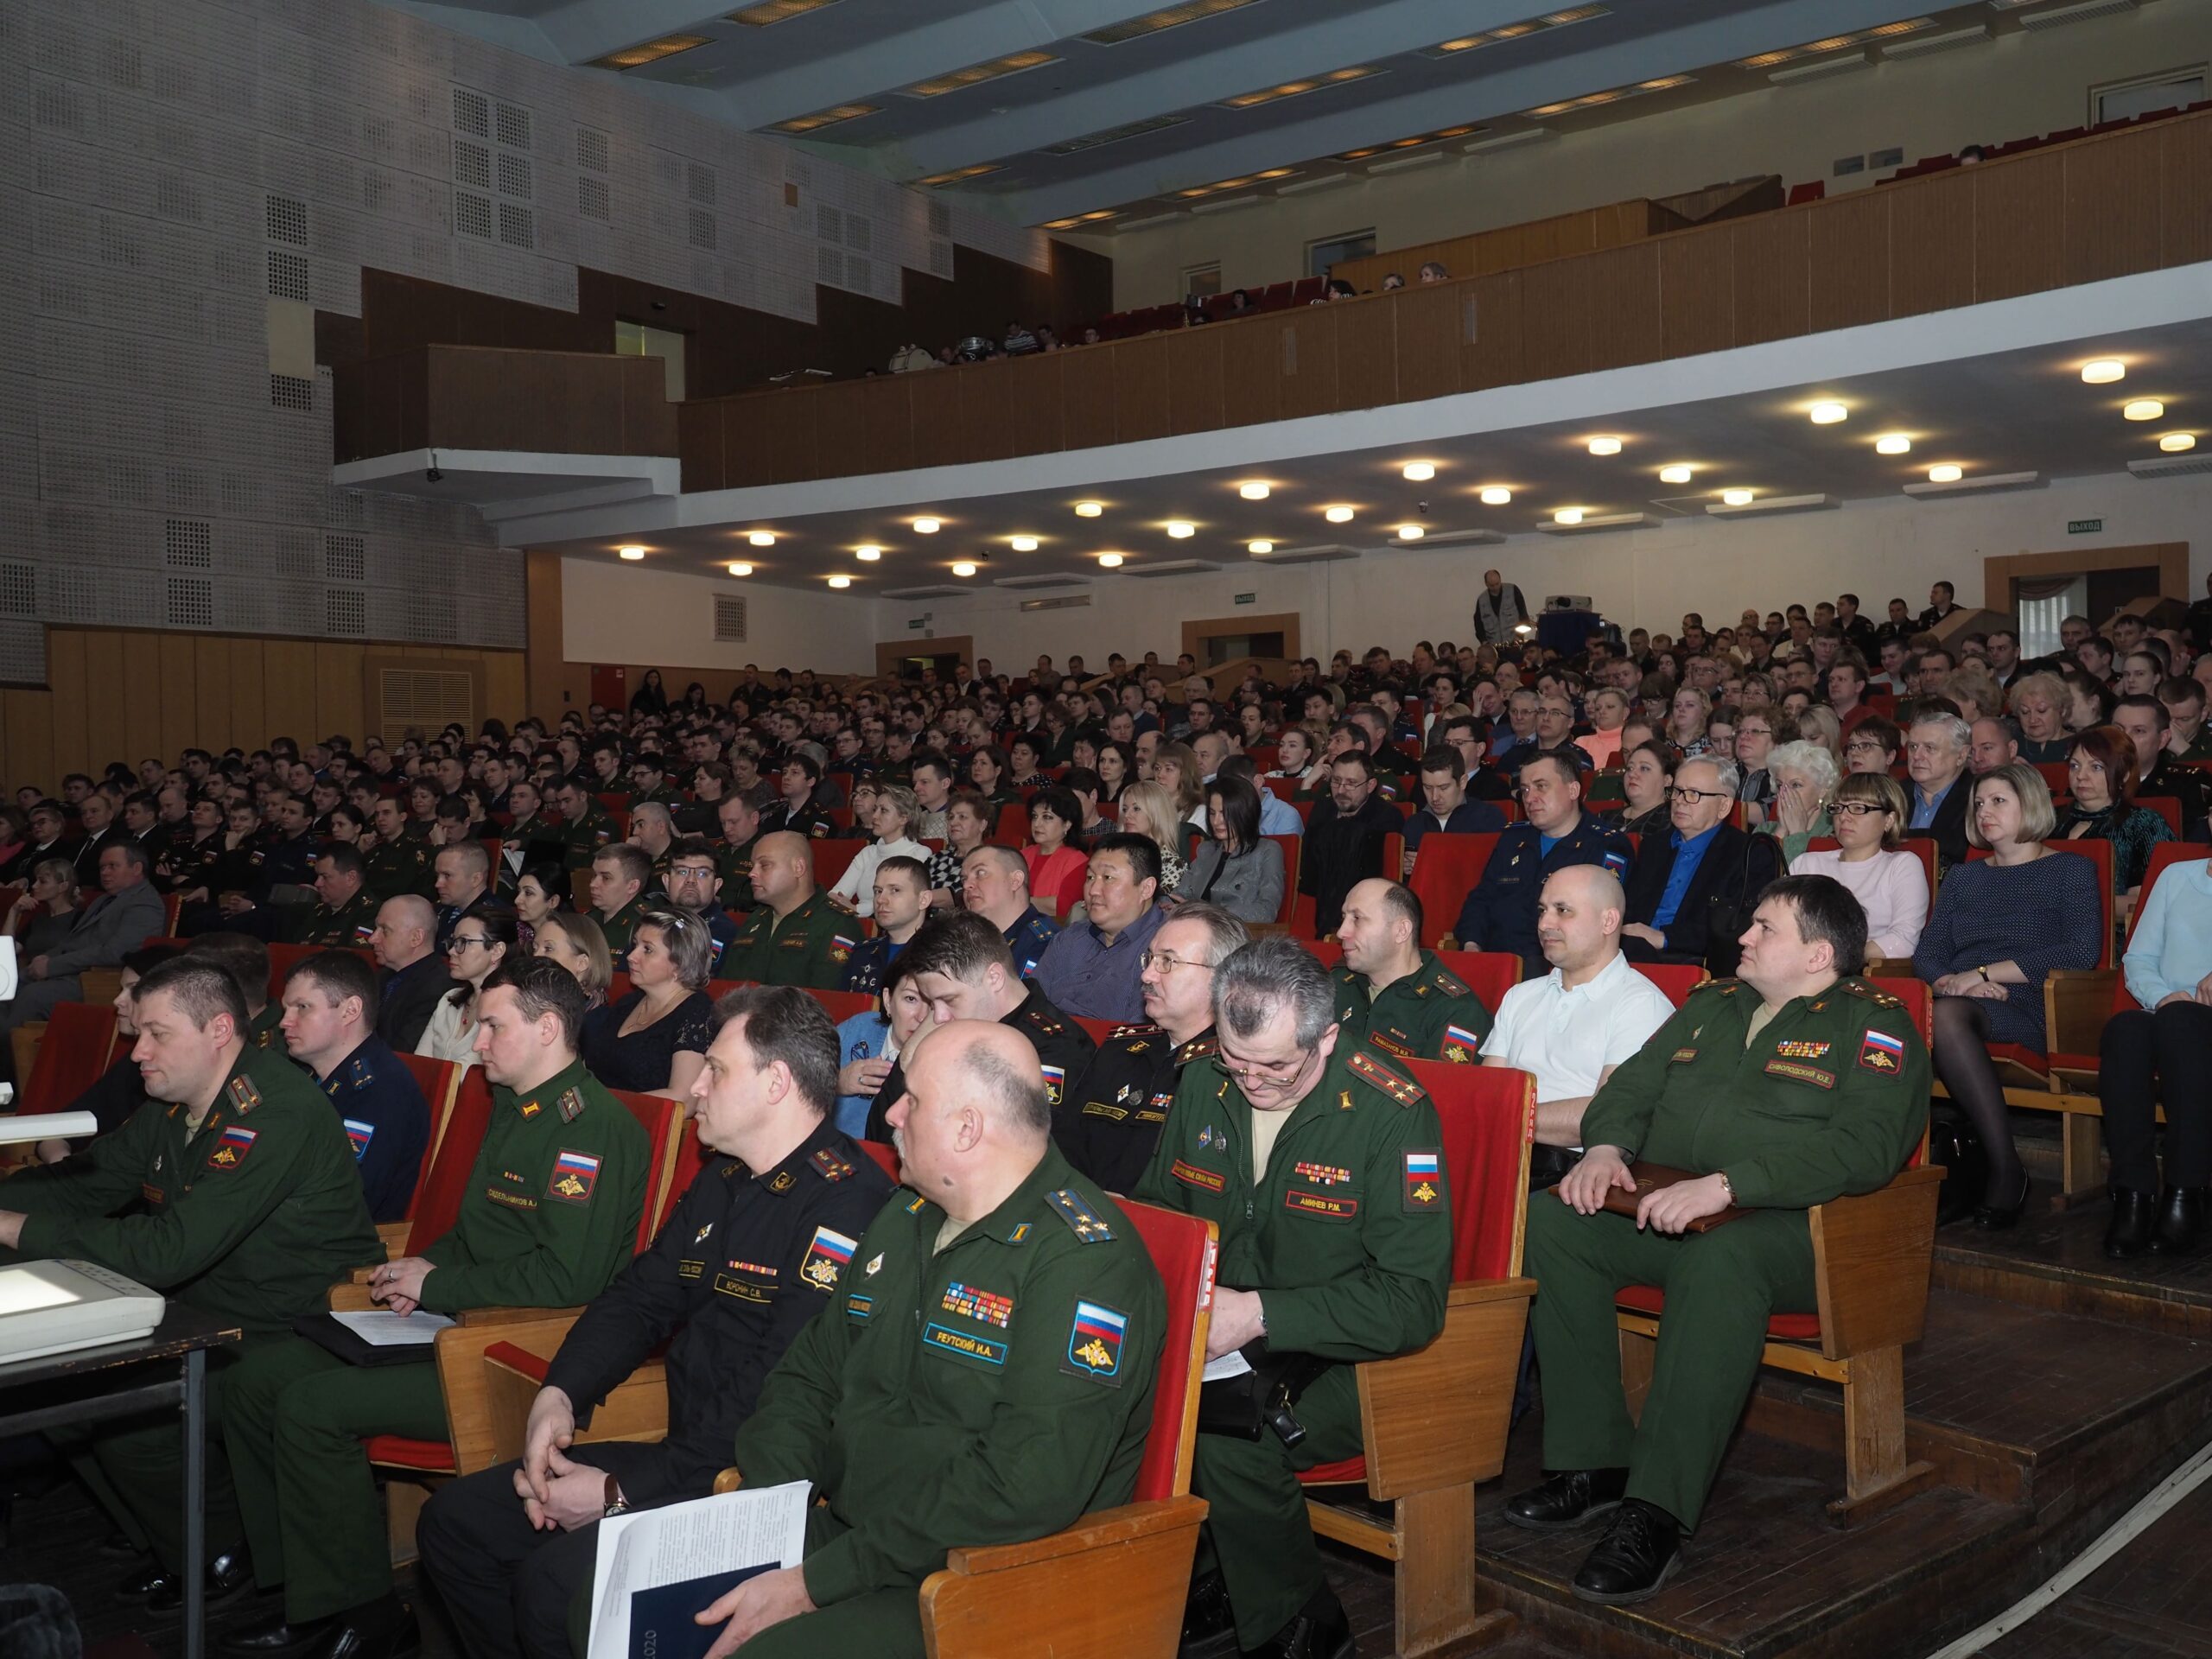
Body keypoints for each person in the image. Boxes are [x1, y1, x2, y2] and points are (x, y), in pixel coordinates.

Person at [415, 987, 896, 1659]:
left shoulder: (847, 1206)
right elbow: (639, 1298)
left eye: (716, 1070)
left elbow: (774, 1391)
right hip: (684, 1454)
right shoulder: (724, 1177)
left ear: (777, 1083)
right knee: (457, 1523)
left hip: (751, 1486)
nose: (695, 1086)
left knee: (553, 1585)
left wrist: (617, 1492)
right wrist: (560, 1396)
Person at [1506, 877, 1929, 1602]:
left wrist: (1730, 1184)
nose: (1745, 938)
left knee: (1722, 1259)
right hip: (1677, 1206)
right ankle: (1595, 1460)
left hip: (1805, 1234)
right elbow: (1633, 1087)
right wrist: (1606, 1147)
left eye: (1766, 929)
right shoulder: (1712, 1006)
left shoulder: (1873, 1024)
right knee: (1553, 1219)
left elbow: (1867, 1148)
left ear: (1819, 954)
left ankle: (1656, 1509)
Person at [217, 957, 650, 1659]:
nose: (476, 1043)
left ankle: (366, 1614)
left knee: (310, 1407)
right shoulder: (517, 1105)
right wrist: (422, 1268)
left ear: (547, 1029)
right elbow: (481, 1236)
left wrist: (438, 1287)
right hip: (459, 1321)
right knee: (255, 1379)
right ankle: (298, 1584)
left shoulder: (588, 1129)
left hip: (520, 1355)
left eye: (492, 1026)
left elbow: (570, 1276)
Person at [692, 1017, 1162, 1659]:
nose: (890, 1115)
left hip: (974, 1579)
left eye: (911, 1099)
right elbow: (809, 1376)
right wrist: (771, 1518)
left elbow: (1024, 1484)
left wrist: (819, 1580)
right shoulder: (907, 1213)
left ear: (967, 1129)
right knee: (584, 1594)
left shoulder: (1087, 1264)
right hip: (840, 1535)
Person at [0, 957, 383, 1614]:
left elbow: (168, 1251)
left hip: (292, 1322)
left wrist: (10, 1225)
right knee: (67, 1383)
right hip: (212, 1309)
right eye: (137, 1032)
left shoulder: (274, 1111)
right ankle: (177, 1538)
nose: (136, 1051)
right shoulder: (176, 1103)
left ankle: (212, 1548)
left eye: (156, 1033)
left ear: (218, 1030)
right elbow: (92, 1181)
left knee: (125, 1409)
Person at [1139, 937, 1451, 1656]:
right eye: (1236, 1060)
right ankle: (1214, 1576)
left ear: (1328, 1034)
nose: (1252, 1083)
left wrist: (1261, 1314)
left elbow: (1411, 1301)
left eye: (1277, 1065)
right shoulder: (1202, 1083)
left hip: (1347, 1355)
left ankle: (1303, 1623)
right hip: (1223, 1338)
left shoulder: (1391, 1113)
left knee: (1223, 1430)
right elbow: (1165, 1219)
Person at [1913, 764, 2103, 1225]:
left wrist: (1981, 973)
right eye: (1979, 803)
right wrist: (1954, 981)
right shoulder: (1964, 878)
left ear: (2031, 804)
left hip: (2038, 1004)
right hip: (1965, 998)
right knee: (1937, 1013)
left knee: (1948, 1018)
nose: (1984, 811)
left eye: (1998, 801)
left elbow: (2081, 951)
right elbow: (1928, 954)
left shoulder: (2071, 870)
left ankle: (2005, 1169)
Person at [1481, 865, 1675, 1182]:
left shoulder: (1641, 1005)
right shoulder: (1520, 996)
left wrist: (1507, 1116)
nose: (1545, 923)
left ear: (1608, 921)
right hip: (1497, 1152)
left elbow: (1608, 1114)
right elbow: (1487, 1090)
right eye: (1542, 910)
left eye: (1563, 911)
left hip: (1569, 1174)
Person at [1057, 904, 1242, 1193]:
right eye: (1150, 959)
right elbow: (1065, 1145)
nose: (1147, 975)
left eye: (1167, 962)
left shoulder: (1233, 1072)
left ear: (1222, 979)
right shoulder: (1119, 1050)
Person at [868, 909, 1096, 1138]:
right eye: (932, 1003)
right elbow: (881, 1134)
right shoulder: (945, 1030)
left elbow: (1027, 1153)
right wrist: (911, 1054)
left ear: (994, 978)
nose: (938, 1017)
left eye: (949, 1000)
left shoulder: (1054, 1049)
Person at [2101, 854, 2212, 1257]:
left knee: (2180, 1022)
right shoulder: (2176, 876)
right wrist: (2164, 997)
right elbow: (2139, 958)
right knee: (2125, 1030)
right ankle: (2133, 1193)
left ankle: (2188, 1187)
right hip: (2170, 1009)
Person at [278, 950, 432, 1223]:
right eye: (286, 1008)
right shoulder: (307, 1076)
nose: (284, 1022)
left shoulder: (381, 1091)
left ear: (350, 1011)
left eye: (302, 1007)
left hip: (331, 1249)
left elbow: (343, 1203)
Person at [1454, 753, 1632, 975]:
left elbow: (1598, 925)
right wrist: (1472, 945)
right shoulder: (1512, 838)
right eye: (1525, 790)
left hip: (1556, 969)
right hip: (1494, 960)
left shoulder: (1605, 845)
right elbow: (1481, 899)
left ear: (1573, 791)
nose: (1529, 798)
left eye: (1541, 787)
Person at [1619, 757, 1782, 977]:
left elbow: (1738, 929)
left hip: (1697, 962)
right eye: (1677, 791)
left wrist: (1665, 938)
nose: (1680, 801)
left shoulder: (1749, 854)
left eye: (1694, 794)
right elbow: (1630, 908)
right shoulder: (1653, 845)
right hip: (1632, 953)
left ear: (1724, 806)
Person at [0, 842, 166, 1040]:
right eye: (102, 867)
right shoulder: (103, 900)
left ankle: (9, 1062)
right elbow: (72, 941)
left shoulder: (144, 903)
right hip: (71, 972)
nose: (105, 872)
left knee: (33, 996)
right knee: (5, 984)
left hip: (98, 980)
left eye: (113, 866)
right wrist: (45, 958)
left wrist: (52, 965)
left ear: (136, 868)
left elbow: (117, 953)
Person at [29, 944, 174, 1164]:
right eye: (120, 989)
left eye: (133, 989)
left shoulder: (174, 1068)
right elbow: (58, 1129)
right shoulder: (133, 1063)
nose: (118, 1000)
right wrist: (64, 1168)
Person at [1332, 878, 1490, 1062]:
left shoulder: (1456, 1011)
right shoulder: (1337, 982)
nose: (1341, 932)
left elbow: (1441, 1088)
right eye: (1344, 918)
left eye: (1357, 919)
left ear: (1401, 931)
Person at [1032, 833, 1169, 1024]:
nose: (1093, 890)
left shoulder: (1167, 951)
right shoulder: (1069, 938)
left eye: (1108, 877)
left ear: (1146, 888)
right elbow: (1030, 1006)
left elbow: (1142, 1039)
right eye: (1089, 877)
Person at [1789, 772, 1928, 959]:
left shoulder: (1901, 865)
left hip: (1863, 973)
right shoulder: (1806, 862)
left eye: (1858, 808)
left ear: (1889, 820)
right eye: (1839, 807)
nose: (1844, 817)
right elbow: (1782, 924)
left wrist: (1833, 959)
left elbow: (1903, 941)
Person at [581, 909, 715, 1096]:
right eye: (635, 945)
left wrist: (607, 1106)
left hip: (639, 1121)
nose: (631, 956)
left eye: (648, 950)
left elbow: (684, 1097)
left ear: (680, 962)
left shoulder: (697, 1013)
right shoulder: (627, 1003)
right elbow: (587, 1070)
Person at [721, 833, 856, 990]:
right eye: (752, 866)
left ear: (798, 868)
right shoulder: (756, 919)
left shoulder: (836, 924)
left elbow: (826, 1000)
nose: (751, 873)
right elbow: (726, 987)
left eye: (764, 865)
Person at [2057, 722, 2174, 901]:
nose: (2080, 775)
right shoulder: (2048, 819)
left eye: (2096, 767)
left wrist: (2078, 905)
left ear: (2124, 774)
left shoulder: (2144, 823)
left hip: (2116, 927)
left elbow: (2147, 901)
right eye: (2075, 766)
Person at [1299, 750, 1400, 938]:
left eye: (1351, 783)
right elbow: (1308, 871)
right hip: (1317, 905)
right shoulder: (1322, 810)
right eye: (1336, 781)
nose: (1342, 790)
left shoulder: (1386, 817)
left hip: (1364, 915)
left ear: (1370, 785)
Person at [832, 958, 928, 1138]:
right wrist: (838, 1082)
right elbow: (797, 1080)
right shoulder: (860, 1028)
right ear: (888, 1000)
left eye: (932, 1004)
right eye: (911, 999)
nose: (922, 1017)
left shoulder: (945, 1055)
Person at [416, 903, 518, 1065]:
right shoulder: (449, 1000)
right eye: (454, 941)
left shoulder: (510, 1011)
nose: (451, 951)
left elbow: (470, 1075)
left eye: (464, 942)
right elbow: (419, 1063)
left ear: (497, 950)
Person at [1179, 775, 1285, 925]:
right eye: (1212, 813)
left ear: (1244, 812)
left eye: (1224, 813)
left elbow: (1266, 911)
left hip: (1236, 935)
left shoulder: (1268, 850)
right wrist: (1168, 904)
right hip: (1195, 929)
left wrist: (1209, 913)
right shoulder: (1207, 849)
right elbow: (1181, 893)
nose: (1216, 821)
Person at [369, 893, 454, 1053]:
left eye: (385, 931)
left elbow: (403, 1053)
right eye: (376, 928)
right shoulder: (383, 976)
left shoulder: (437, 989)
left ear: (416, 938)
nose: (373, 938)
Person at [958, 844, 1060, 976]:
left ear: (1015, 881)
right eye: (964, 879)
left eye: (980, 873)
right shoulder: (965, 940)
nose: (966, 885)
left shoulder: (1044, 944)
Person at [1402, 747, 1504, 875]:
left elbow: (1496, 869)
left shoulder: (1488, 818)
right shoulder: (1414, 824)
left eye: (1443, 788)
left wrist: (1434, 863)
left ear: (1462, 782)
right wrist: (1404, 870)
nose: (1434, 797)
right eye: (1428, 787)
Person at [831, 785, 929, 918]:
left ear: (903, 818)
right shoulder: (868, 852)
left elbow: (899, 901)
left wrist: (856, 909)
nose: (875, 816)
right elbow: (835, 894)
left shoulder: (919, 854)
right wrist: (850, 908)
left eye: (883, 810)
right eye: (875, 809)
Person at [838, 855, 928, 995]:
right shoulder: (861, 953)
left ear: (923, 900)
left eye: (895, 890)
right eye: (878, 891)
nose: (881, 899)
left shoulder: (940, 956)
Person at [1904, 713, 1974, 875]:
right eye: (1913, 747)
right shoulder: (1891, 796)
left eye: (1930, 748)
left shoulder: (1979, 799)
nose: (1916, 756)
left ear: (1961, 755)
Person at [1754, 739, 1840, 867]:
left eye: (1796, 785)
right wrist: (1781, 831)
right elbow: (1754, 877)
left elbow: (1801, 881)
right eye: (1780, 785)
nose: (1785, 793)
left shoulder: (1835, 831)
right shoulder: (1764, 830)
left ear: (1822, 790)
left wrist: (1797, 835)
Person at [1021, 784, 1090, 919]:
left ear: (1067, 824)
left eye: (1047, 817)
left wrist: (1016, 901)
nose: (1037, 824)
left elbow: (1063, 906)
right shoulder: (1022, 855)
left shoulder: (1077, 861)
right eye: (1035, 816)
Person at [1114, 780, 1190, 894]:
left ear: (1156, 812)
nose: (1127, 816)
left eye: (1136, 809)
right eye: (1124, 810)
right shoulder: (1116, 857)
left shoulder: (1173, 865)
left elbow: (1161, 908)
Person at [924, 791, 992, 909]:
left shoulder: (988, 861)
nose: (953, 823)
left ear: (982, 825)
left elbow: (955, 897)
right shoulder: (937, 858)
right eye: (951, 817)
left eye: (962, 817)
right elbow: (915, 885)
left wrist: (911, 899)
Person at [534, 911, 614, 1007]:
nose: (535, 955)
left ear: (581, 963)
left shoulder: (593, 1017)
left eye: (548, 949)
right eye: (534, 948)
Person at [2009, 671, 2074, 764]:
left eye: (2041, 710)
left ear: (2062, 710)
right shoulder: (2013, 746)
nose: (2032, 719)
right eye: (2025, 712)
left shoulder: (2079, 746)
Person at [1617, 740, 1675, 836]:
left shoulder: (1670, 821)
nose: (1632, 774)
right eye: (1630, 768)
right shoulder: (1604, 817)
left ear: (1667, 780)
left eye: (1644, 768)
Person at [1474, 569, 1528, 645]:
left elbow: (1523, 615)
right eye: (1492, 585)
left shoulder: (1513, 590)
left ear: (1500, 580)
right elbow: (1478, 624)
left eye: (1497, 584)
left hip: (1515, 643)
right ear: (1486, 584)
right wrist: (1484, 641)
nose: (1495, 587)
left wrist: (1519, 637)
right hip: (1493, 647)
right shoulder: (1482, 600)